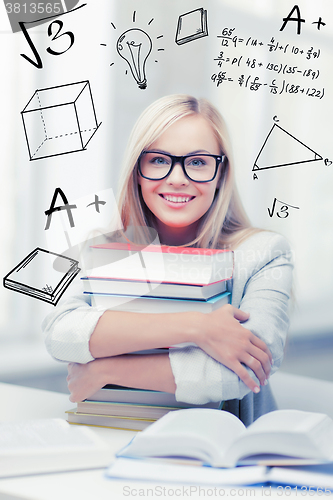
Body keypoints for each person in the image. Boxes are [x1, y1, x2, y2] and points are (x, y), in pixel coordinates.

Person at [42, 95, 293, 426]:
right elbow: (60, 333)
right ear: (138, 171)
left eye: (199, 162)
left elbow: (245, 369)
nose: (177, 178)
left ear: (221, 173)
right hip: (113, 437)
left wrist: (106, 369)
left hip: (223, 454)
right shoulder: (108, 248)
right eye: (159, 160)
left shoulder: (264, 252)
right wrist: (197, 327)